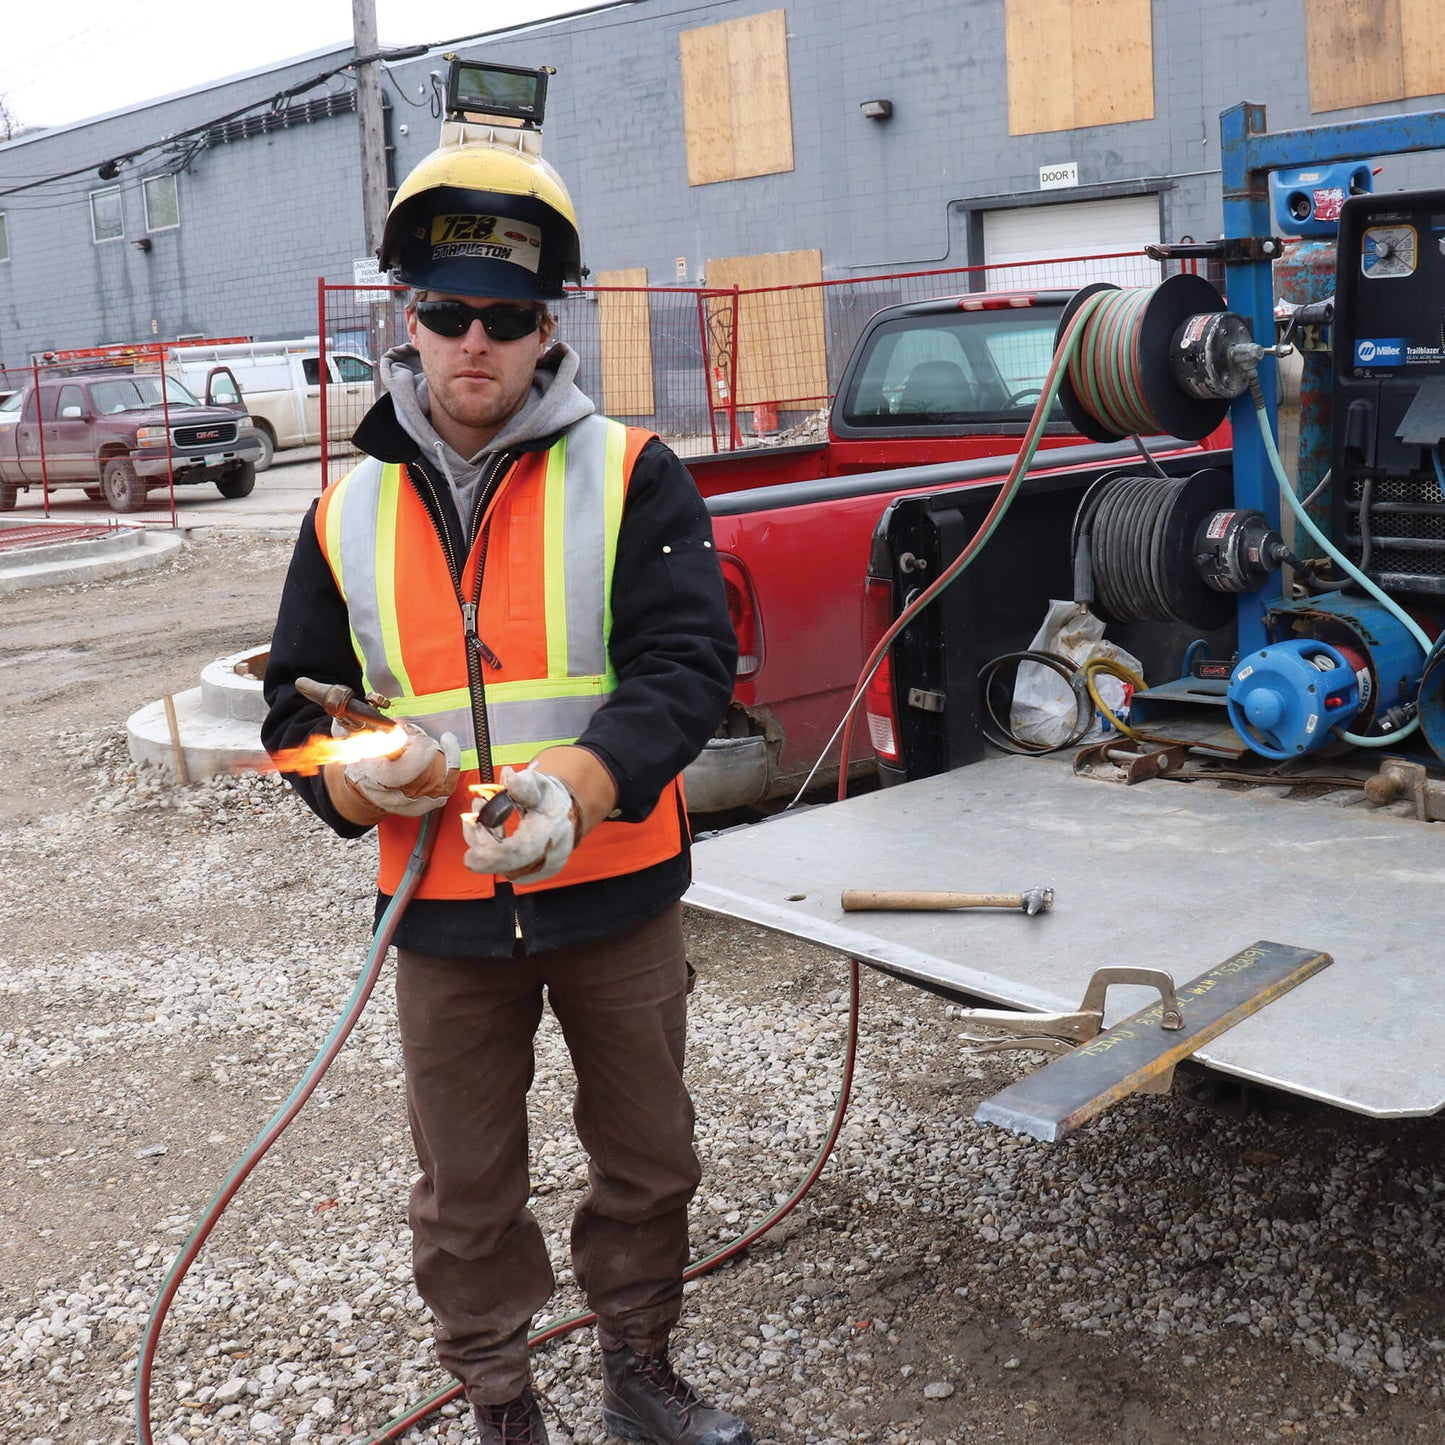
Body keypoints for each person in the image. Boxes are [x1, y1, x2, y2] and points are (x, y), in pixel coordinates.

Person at [262, 135, 749, 1445]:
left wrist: (580, 784)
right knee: (465, 1189)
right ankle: (500, 1403)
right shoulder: (339, 517)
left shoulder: (631, 472)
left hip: (617, 894)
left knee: (649, 1158)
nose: (474, 339)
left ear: (549, 327)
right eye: (447, 312)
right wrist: (359, 781)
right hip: (442, 917)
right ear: (406, 318)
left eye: (508, 315)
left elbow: (690, 663)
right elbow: (289, 714)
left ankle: (639, 1372)